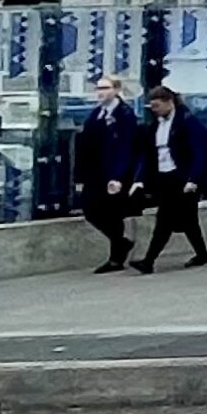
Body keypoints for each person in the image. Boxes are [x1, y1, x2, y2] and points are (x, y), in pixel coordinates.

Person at [133, 86, 207, 274]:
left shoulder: (188, 122)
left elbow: (200, 153)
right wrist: (140, 179)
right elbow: (148, 154)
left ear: (169, 102)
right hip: (165, 177)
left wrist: (193, 179)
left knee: (164, 219)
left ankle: (148, 261)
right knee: (188, 220)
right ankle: (202, 254)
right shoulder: (156, 125)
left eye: (157, 106)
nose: (154, 110)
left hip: (183, 178)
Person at [75, 75, 145, 274]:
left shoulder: (125, 114)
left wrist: (118, 176)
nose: (100, 92)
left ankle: (116, 257)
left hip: (115, 175)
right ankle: (121, 243)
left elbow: (126, 147)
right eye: (98, 88)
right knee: (91, 210)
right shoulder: (96, 114)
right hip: (95, 174)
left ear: (116, 90)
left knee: (112, 213)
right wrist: (80, 177)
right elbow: (85, 146)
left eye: (105, 88)